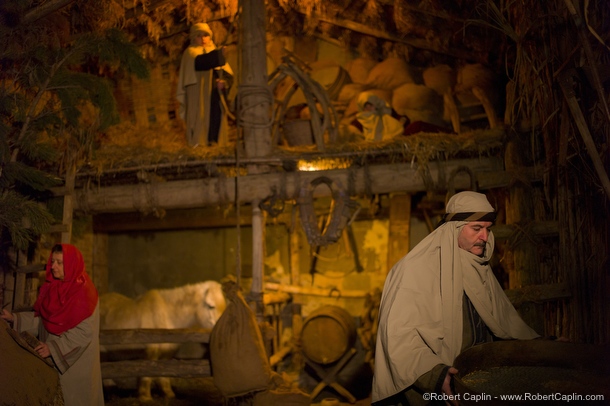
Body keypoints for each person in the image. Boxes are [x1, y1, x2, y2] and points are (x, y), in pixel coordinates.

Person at [372, 191, 540, 405]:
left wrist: (541, 347)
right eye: (476, 229)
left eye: (488, 229)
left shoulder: (480, 269)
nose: (485, 237)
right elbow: (397, 336)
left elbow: (504, 323)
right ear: (454, 229)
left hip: (476, 383)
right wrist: (436, 375)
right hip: (433, 390)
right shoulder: (415, 270)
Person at [1, 244, 104, 406]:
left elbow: (83, 333)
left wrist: (54, 348)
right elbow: (44, 320)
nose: (53, 266)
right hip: (54, 360)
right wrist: (15, 318)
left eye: (59, 263)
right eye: (53, 261)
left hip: (75, 365)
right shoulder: (53, 286)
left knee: (76, 399)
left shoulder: (85, 294)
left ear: (71, 264)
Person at [176, 22, 234, 147]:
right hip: (198, 97)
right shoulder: (190, 53)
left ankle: (216, 145)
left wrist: (223, 83)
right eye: (199, 36)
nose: (203, 39)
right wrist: (219, 55)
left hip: (214, 95)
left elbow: (228, 76)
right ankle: (200, 145)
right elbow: (200, 62)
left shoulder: (214, 51)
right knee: (200, 119)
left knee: (215, 118)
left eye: (205, 35)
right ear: (193, 38)